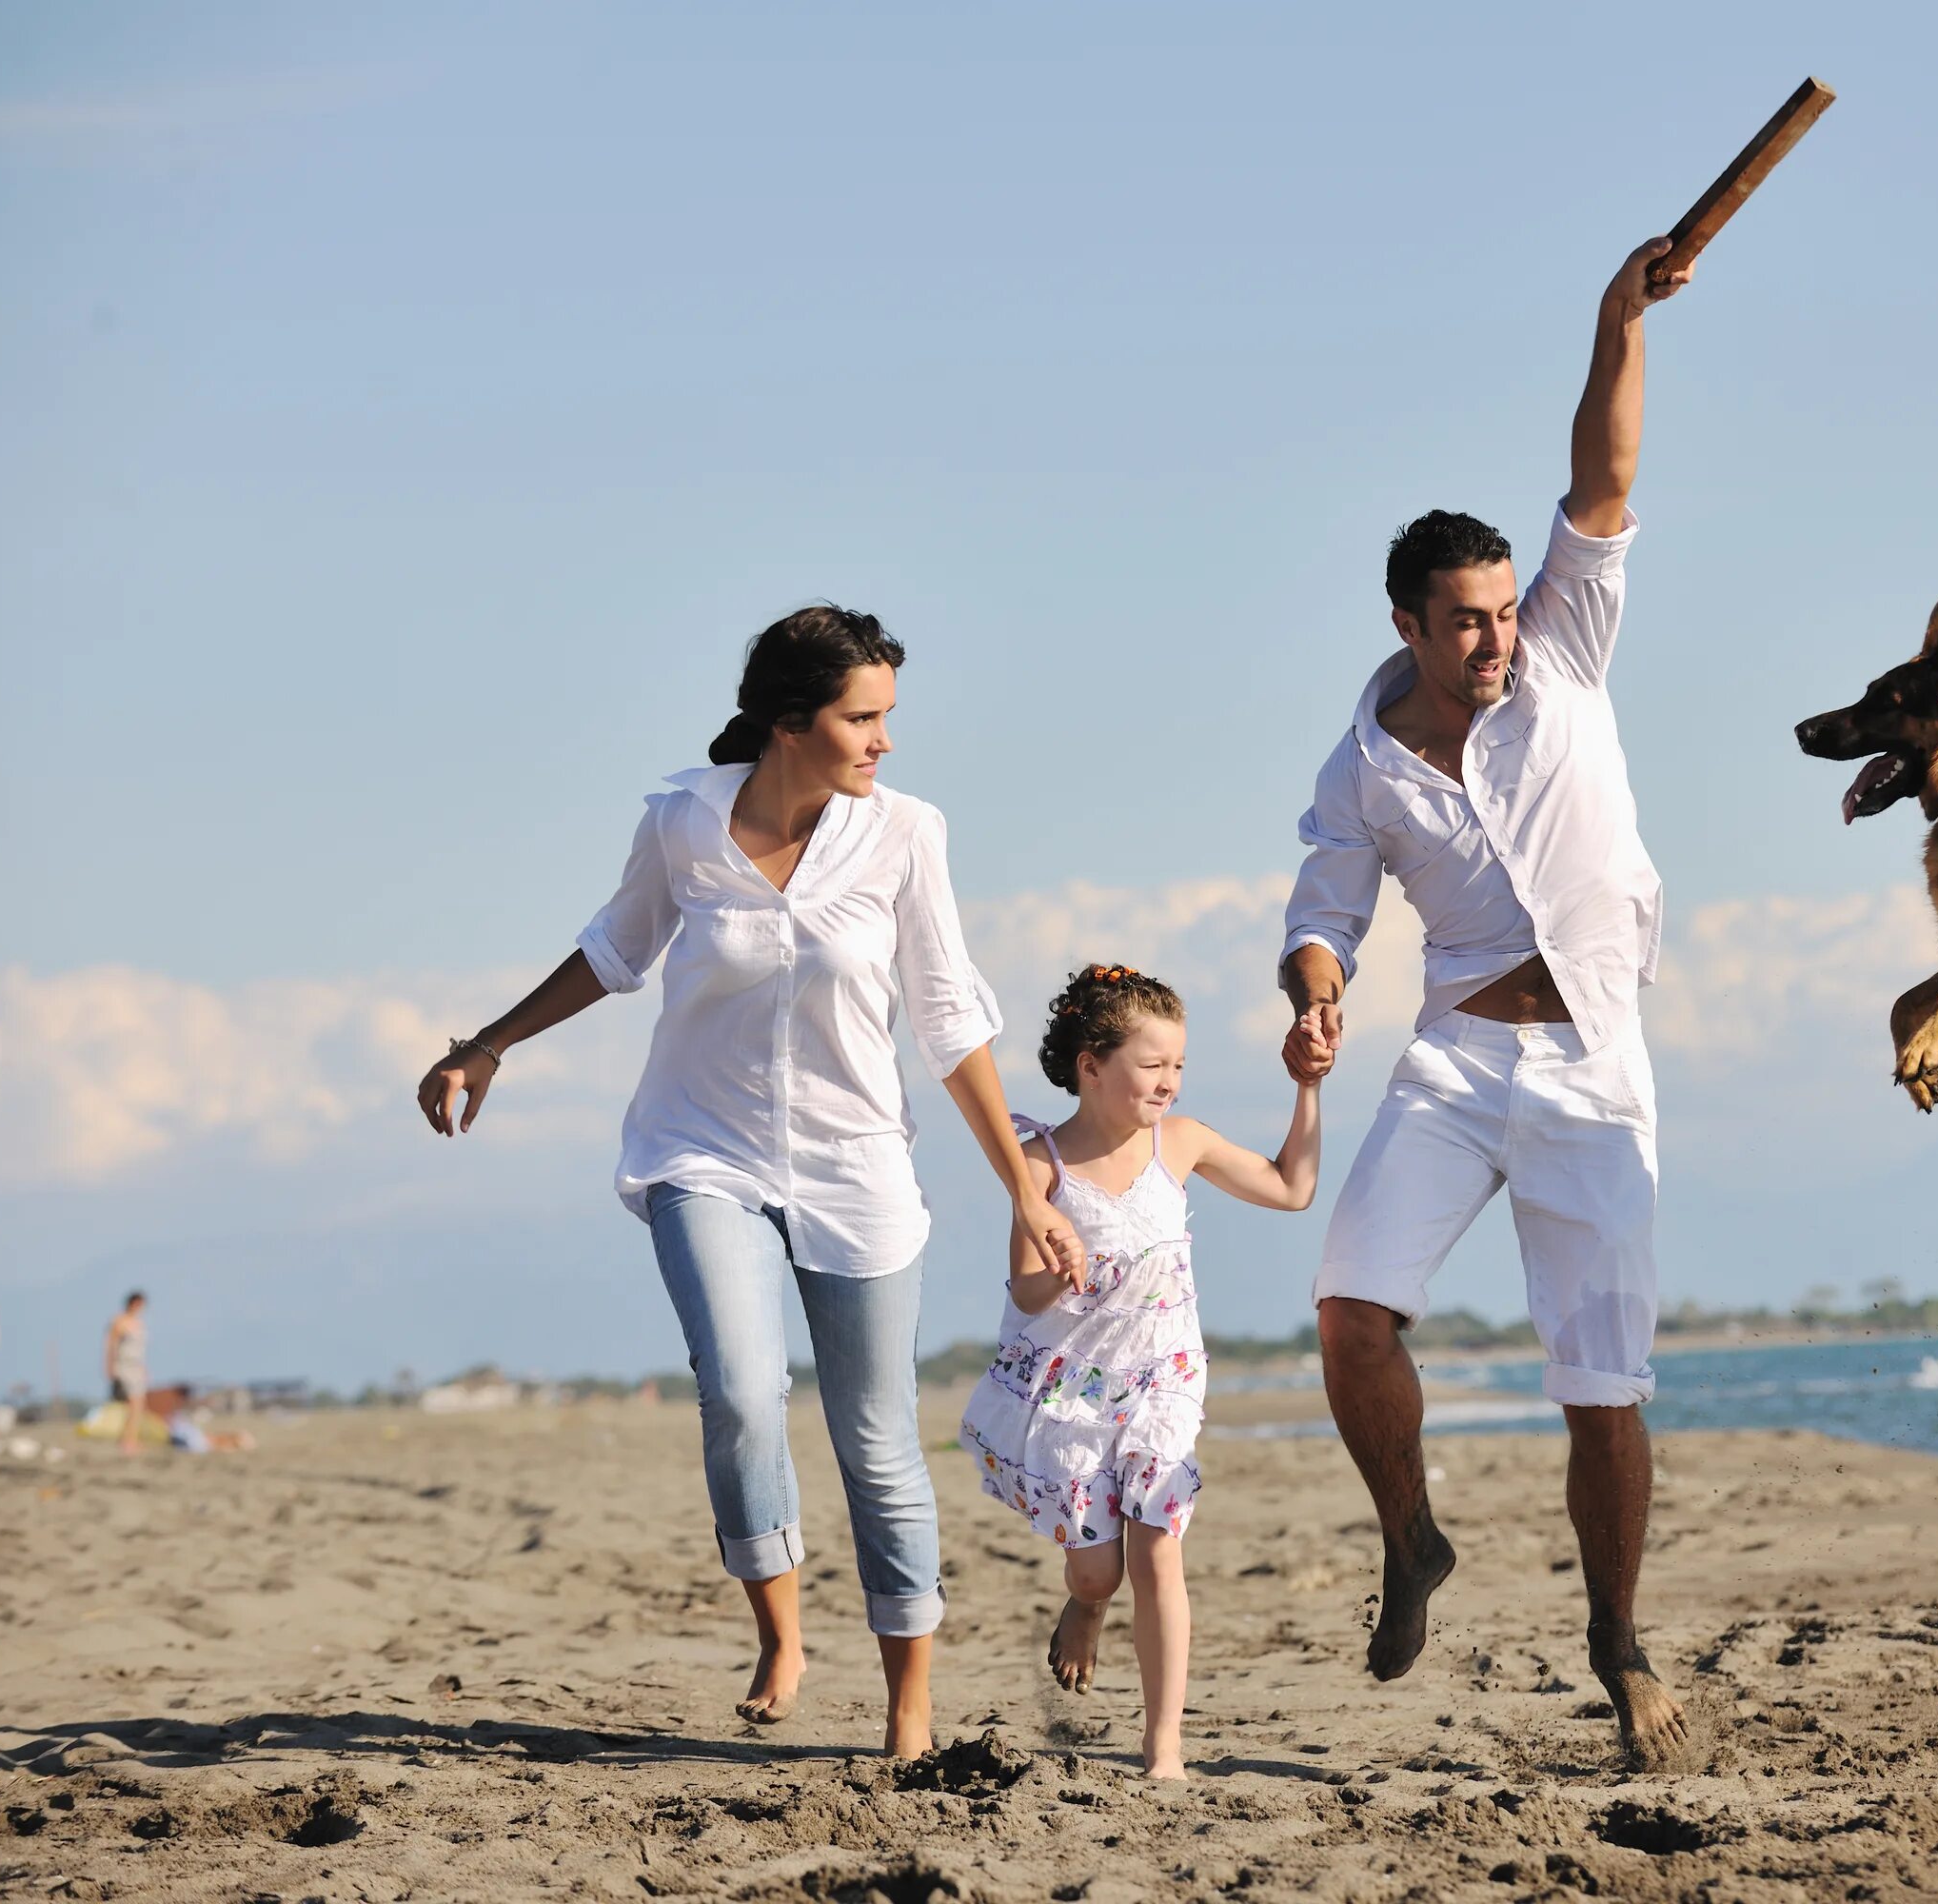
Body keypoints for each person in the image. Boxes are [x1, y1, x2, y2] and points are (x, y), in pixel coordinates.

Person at [414, 605, 1082, 1758]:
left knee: (875, 1435)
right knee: (738, 1386)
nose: (883, 741)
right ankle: (780, 1623)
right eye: (860, 718)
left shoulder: (906, 834)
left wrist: (1024, 1186)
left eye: (886, 717)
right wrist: (490, 1041)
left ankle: (909, 1705)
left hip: (856, 1162)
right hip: (701, 1147)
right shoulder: (682, 820)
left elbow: (948, 1017)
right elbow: (616, 951)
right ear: (788, 723)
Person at [1278, 236, 1693, 1759]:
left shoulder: (1569, 651)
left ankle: (1617, 1639)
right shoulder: (1365, 762)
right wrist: (1317, 995)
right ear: (1406, 624)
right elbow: (1323, 908)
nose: (1498, 636)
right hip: (1455, 1058)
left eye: (1507, 609)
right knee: (1347, 1315)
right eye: (1466, 619)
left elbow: (1603, 467)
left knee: (1603, 1390)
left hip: (1592, 1066)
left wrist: (1616, 322)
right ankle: (1412, 1535)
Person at [959, 964, 1323, 1779]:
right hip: (1073, 1393)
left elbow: (1293, 1188)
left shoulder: (1181, 1143)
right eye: (1152, 1065)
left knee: (1158, 1537)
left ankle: (1164, 1748)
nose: (1170, 1082)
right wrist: (1058, 1267)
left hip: (1164, 1379)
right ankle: (1086, 1605)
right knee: (1099, 1567)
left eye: (1179, 1066)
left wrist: (1308, 1090)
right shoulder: (1039, 1162)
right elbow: (1022, 1285)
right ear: (1091, 1064)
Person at [104, 1291, 149, 1457]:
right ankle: (127, 1441)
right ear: (132, 1303)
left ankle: (131, 1439)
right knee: (132, 1404)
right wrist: (109, 1368)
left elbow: (141, 1350)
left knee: (139, 1405)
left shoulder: (139, 1323)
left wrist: (144, 1369)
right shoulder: (119, 1321)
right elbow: (110, 1346)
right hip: (123, 1366)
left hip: (137, 1366)